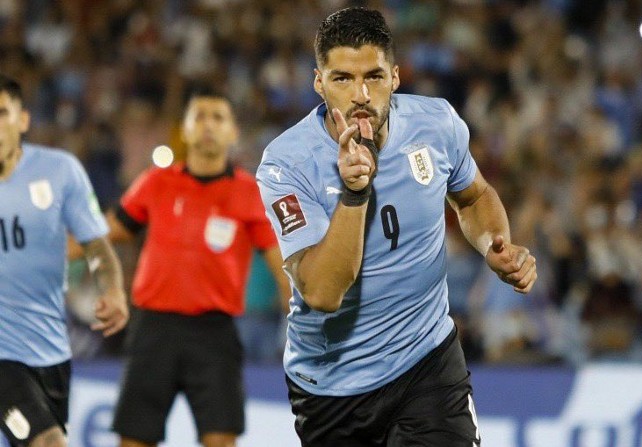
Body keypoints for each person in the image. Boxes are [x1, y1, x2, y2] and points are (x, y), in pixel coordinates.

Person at [256, 7, 538, 446]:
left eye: (374, 75)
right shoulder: (286, 164)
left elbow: (475, 196)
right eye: (342, 79)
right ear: (319, 83)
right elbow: (322, 293)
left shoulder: (437, 123)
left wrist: (493, 245)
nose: (361, 94)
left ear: (396, 77)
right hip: (333, 386)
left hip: (427, 361)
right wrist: (354, 194)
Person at [109, 87, 290, 447]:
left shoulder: (248, 192)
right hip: (153, 328)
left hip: (214, 333)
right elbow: (107, 231)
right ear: (187, 130)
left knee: (221, 440)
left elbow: (281, 263)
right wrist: (54, 246)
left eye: (218, 117)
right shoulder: (156, 181)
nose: (208, 125)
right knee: (134, 439)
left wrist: (302, 315)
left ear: (233, 132)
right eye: (200, 117)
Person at [0, 74, 128, 447]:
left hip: (50, 352)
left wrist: (114, 291)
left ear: (22, 120)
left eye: (2, 113)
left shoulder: (59, 172)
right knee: (48, 443)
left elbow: (97, 246)